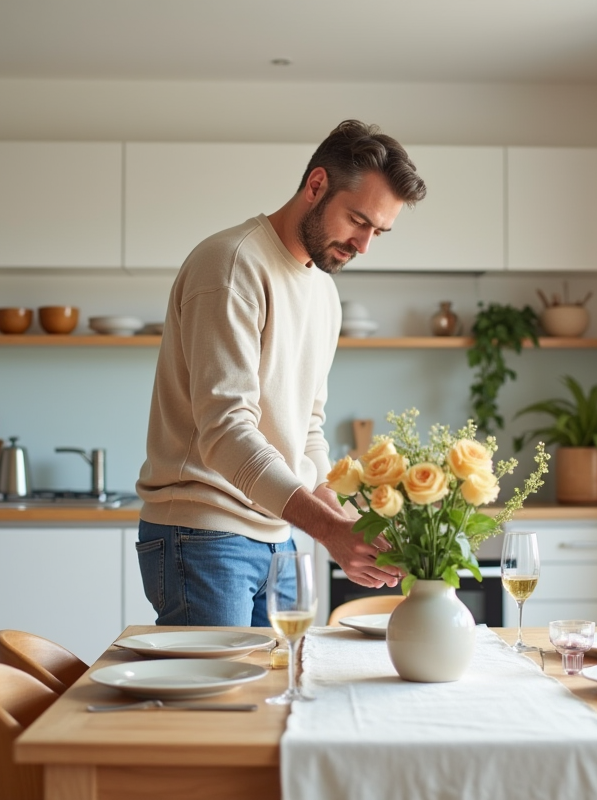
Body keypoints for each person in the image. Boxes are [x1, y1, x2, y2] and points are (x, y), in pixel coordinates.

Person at [135, 120, 428, 626]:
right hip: (203, 533)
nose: (364, 246)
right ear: (316, 185)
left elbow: (307, 428)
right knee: (217, 703)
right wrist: (329, 530)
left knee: (278, 699)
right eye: (357, 220)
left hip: (280, 535)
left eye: (378, 231)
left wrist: (341, 518)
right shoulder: (231, 266)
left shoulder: (324, 294)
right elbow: (226, 433)